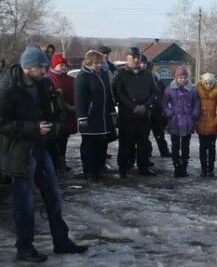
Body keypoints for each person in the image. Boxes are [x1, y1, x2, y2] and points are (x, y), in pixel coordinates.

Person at [0, 46, 88, 262]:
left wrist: (55, 127)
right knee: (25, 202)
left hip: (43, 148)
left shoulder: (44, 84)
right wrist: (33, 128)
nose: (45, 69)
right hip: (20, 152)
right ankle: (25, 247)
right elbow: (3, 123)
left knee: (54, 197)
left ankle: (61, 241)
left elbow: (55, 110)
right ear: (27, 67)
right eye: (41, 66)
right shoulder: (8, 90)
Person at [113, 47, 159, 177]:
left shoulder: (147, 74)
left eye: (137, 57)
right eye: (132, 57)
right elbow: (119, 93)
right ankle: (124, 168)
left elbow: (154, 92)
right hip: (127, 114)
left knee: (143, 143)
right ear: (127, 58)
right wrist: (133, 106)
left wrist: (146, 106)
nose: (135, 59)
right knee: (126, 144)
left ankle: (143, 167)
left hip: (144, 115)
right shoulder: (121, 74)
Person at [74, 50, 115, 181]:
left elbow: (108, 95)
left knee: (100, 144)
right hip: (90, 117)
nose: (98, 66)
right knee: (88, 146)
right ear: (89, 63)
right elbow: (80, 98)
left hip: (101, 116)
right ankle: (89, 171)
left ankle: (98, 169)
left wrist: (112, 111)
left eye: (100, 63)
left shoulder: (102, 75)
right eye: (96, 63)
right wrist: (82, 117)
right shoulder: (82, 77)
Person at [162, 67, 200, 178]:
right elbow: (164, 103)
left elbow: (196, 103)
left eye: (184, 77)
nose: (182, 80)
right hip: (175, 121)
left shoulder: (192, 89)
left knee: (185, 146)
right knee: (175, 146)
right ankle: (176, 167)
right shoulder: (170, 89)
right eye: (180, 77)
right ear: (176, 78)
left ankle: (184, 167)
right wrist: (170, 113)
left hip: (187, 121)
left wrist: (194, 115)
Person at [47, 54, 77, 172]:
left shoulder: (69, 79)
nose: (63, 67)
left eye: (65, 65)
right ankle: (56, 163)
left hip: (68, 115)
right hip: (57, 114)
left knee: (64, 139)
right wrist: (66, 106)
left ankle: (62, 161)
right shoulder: (50, 78)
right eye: (61, 65)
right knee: (56, 141)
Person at [139, 54, 170, 158]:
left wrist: (162, 106)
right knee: (145, 134)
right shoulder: (138, 77)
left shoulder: (155, 76)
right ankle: (148, 152)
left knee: (159, 132)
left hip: (156, 108)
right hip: (146, 109)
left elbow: (162, 91)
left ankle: (164, 151)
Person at [195, 73, 217, 177]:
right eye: (206, 83)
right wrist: (196, 121)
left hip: (213, 125)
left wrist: (216, 121)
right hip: (201, 124)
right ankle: (203, 169)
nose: (208, 85)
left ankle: (210, 169)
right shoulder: (197, 93)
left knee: (211, 149)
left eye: (210, 83)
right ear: (202, 83)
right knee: (202, 148)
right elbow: (195, 108)